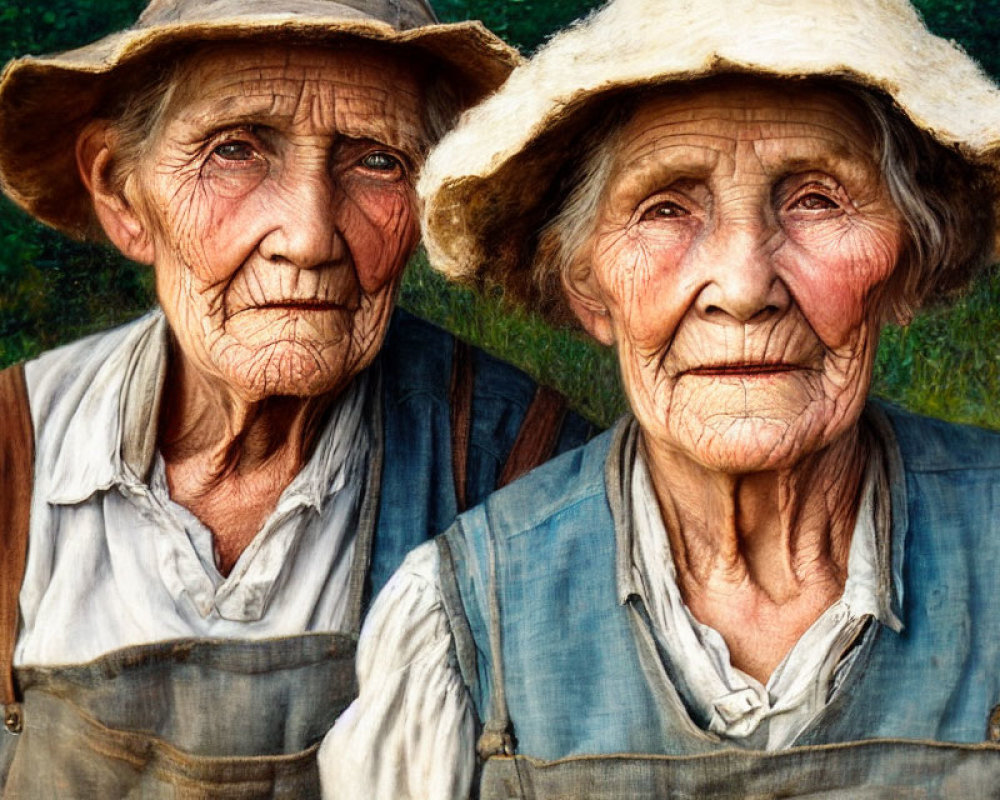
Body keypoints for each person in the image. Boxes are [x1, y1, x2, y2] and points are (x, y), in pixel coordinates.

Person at [325, 0, 1000, 796]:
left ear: (907, 267)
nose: (745, 288)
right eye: (666, 209)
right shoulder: (465, 616)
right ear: (590, 290)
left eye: (817, 199)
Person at [0, 1, 595, 796]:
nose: (309, 236)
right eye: (236, 151)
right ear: (122, 194)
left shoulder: (526, 466)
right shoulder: (15, 451)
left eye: (378, 161)